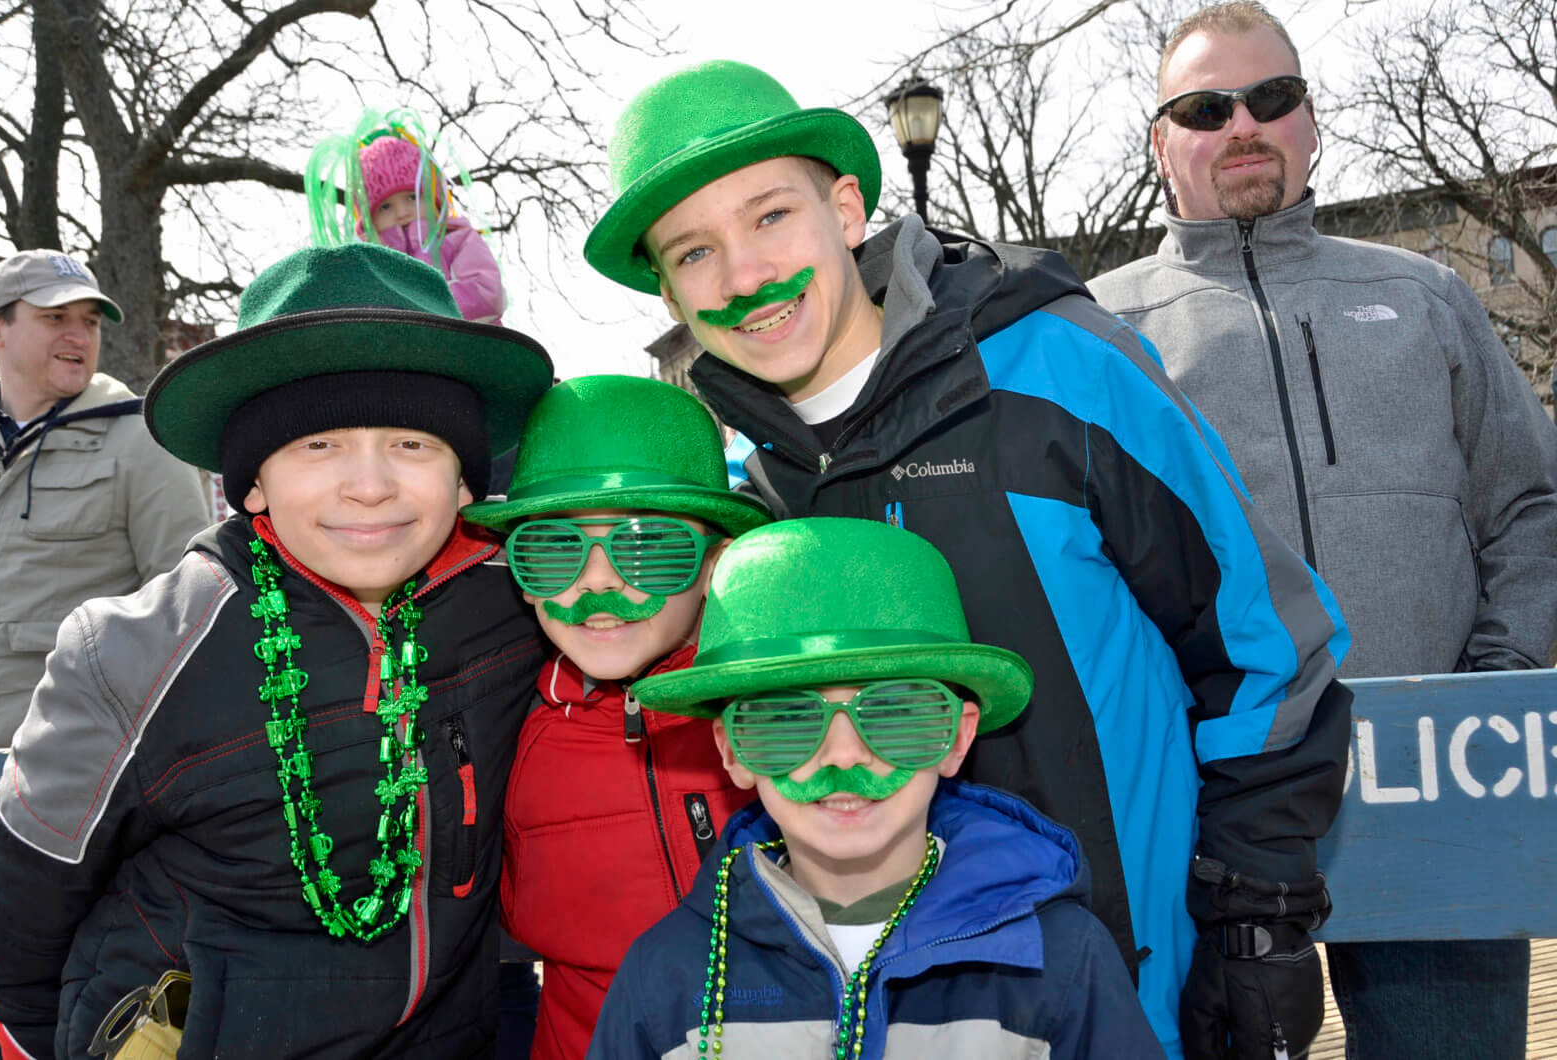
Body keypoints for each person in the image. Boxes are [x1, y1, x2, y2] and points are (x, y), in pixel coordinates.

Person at [582, 59, 1353, 1059]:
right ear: (668, 289)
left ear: (847, 206)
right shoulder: (744, 496)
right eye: (693, 252)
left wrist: (1255, 912)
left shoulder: (1060, 373)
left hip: (1122, 982)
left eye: (770, 216)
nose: (743, 276)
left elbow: (1263, 642)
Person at [1087, 4, 1557, 1056]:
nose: (1243, 124)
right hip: (1219, 814)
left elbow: (1529, 503)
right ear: (1162, 143)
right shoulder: (1101, 331)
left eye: (1272, 98)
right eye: (1206, 108)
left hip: (1436, 786)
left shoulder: (1428, 295)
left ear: (1309, 122)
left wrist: (1488, 679)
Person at [0, 242, 554, 1058]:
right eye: (316, 446)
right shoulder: (140, 650)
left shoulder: (518, 603)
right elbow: (26, 899)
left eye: (413, 444)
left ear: (464, 479)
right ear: (252, 484)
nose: (369, 484)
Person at [592, 517, 1164, 1058]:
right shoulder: (665, 974)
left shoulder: (1061, 961)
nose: (843, 754)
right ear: (731, 751)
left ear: (957, 738)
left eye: (894, 714)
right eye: (786, 721)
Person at [460, 373, 771, 1060]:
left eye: (648, 545)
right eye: (551, 548)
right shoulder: (512, 733)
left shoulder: (774, 715)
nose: (597, 580)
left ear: (717, 561)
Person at [0, 249, 210, 751]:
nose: (79, 336)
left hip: (69, 764)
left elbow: (191, 615)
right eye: (55, 318)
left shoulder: (144, 441)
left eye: (89, 322)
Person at [307, 108, 507, 323]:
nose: (402, 212)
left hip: (466, 341)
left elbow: (484, 292)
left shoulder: (456, 239)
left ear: (435, 199)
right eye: (385, 207)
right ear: (368, 220)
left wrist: (417, 306)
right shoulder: (367, 261)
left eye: (412, 197)